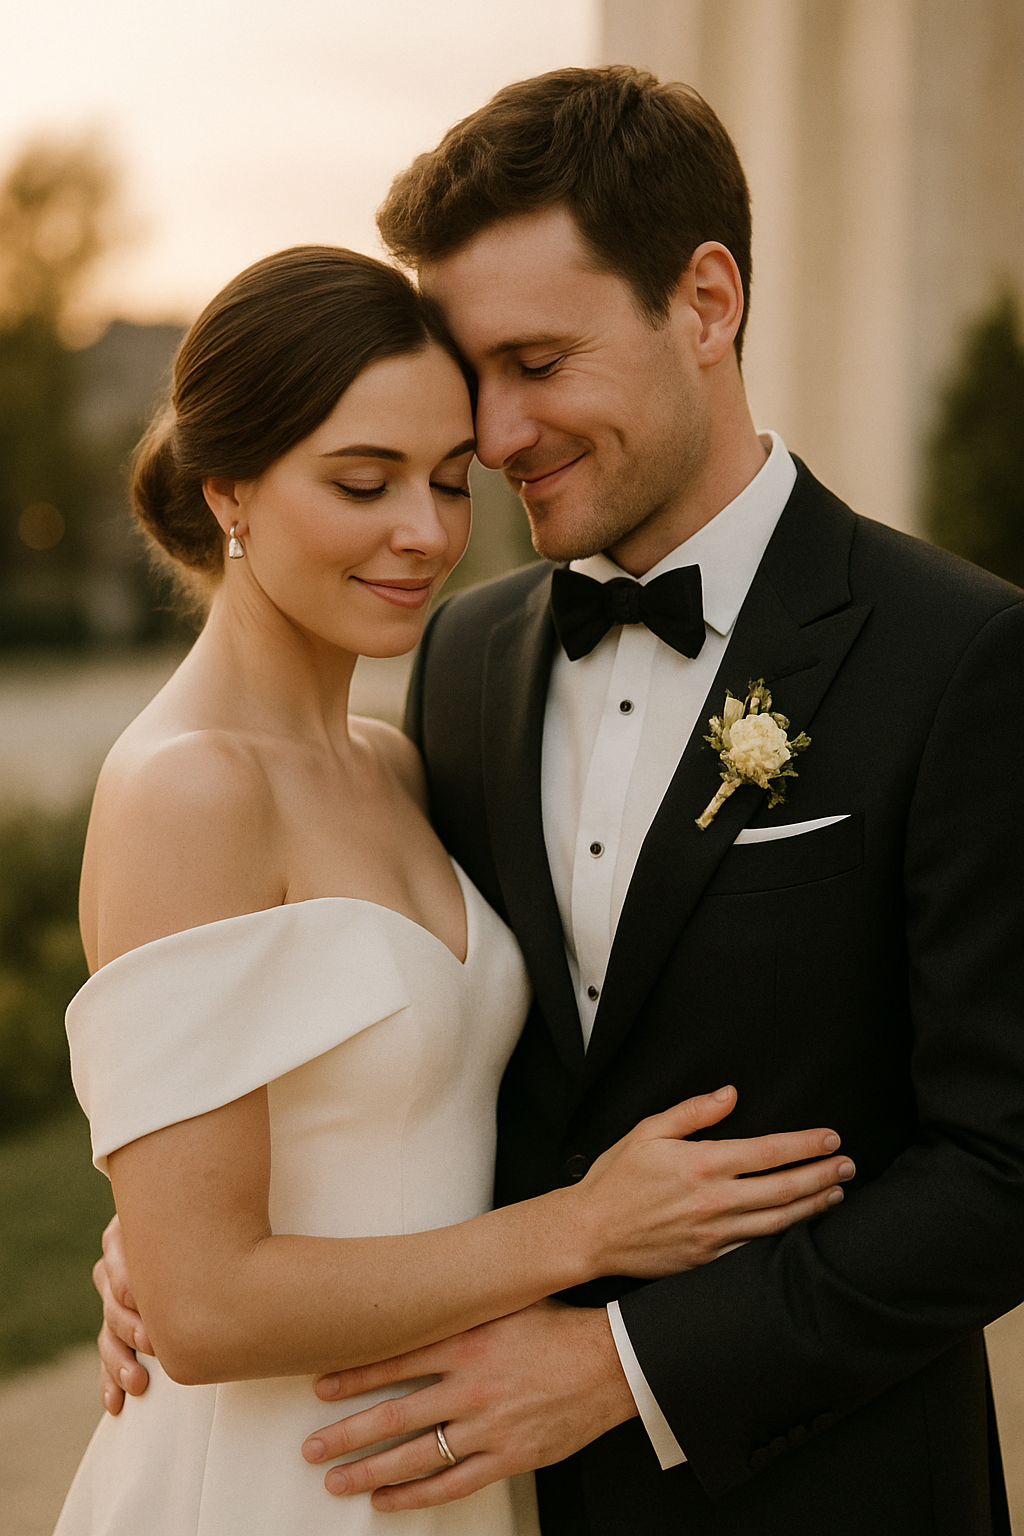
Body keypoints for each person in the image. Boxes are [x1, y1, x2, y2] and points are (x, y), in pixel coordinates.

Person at [94, 66, 1024, 1536]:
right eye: (477, 380)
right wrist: (173, 1231)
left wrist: (628, 1362)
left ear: (706, 306)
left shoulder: (961, 655)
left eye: (538, 361)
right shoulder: (464, 661)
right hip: (452, 1486)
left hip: (827, 1486)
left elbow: (1001, 1170)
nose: (501, 431)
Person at [57, 242, 852, 1536]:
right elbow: (202, 1315)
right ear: (230, 492)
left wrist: (152, 1230)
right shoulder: (186, 787)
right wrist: (585, 1231)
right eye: (363, 483)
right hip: (276, 1483)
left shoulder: (392, 761)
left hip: (446, 1458)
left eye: (445, 478)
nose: (426, 533)